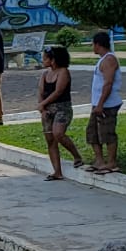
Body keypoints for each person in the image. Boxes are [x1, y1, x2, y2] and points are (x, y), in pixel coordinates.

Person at [37, 46, 85, 181]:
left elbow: (58, 92)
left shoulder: (63, 72)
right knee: (50, 139)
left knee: (58, 133)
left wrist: (43, 103)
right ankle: (57, 171)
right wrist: (43, 107)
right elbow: (40, 91)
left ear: (53, 60)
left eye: (46, 58)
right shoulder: (45, 74)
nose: (43, 61)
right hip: (47, 109)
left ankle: (76, 155)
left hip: (62, 108)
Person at [85, 32, 123, 174]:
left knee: (107, 133)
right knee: (92, 132)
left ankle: (112, 162)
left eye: (93, 44)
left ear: (98, 44)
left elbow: (108, 84)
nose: (92, 47)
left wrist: (101, 103)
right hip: (98, 104)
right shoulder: (102, 60)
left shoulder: (109, 60)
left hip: (107, 104)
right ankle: (99, 160)